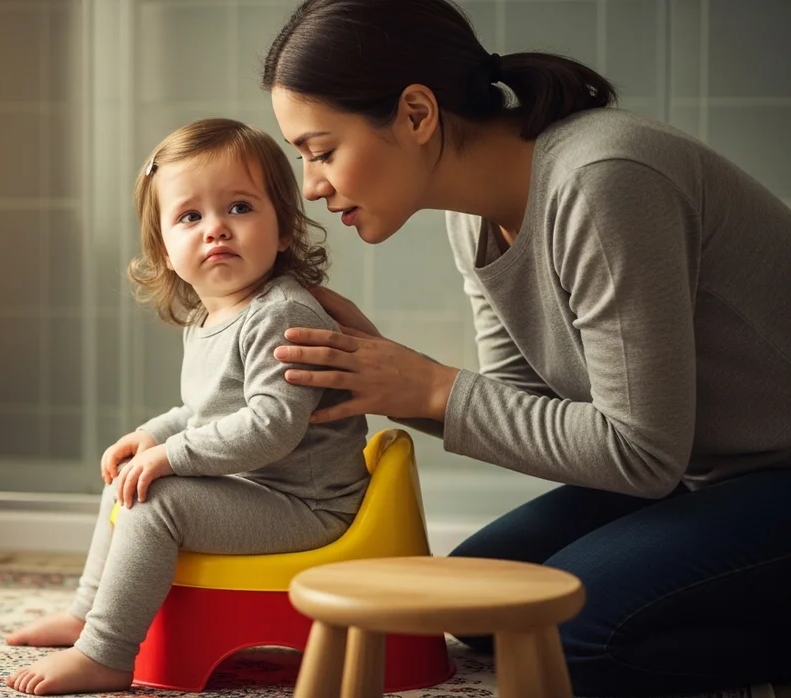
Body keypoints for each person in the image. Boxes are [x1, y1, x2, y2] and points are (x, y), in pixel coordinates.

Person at [259, 0, 791, 695]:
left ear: (418, 114)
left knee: (571, 639)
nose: (312, 186)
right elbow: (539, 414)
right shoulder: (471, 217)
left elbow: (640, 453)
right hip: (702, 475)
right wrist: (389, 380)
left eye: (322, 151)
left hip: (769, 474)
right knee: (475, 605)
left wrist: (429, 387)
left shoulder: (604, 181)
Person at [1, 117, 370, 695]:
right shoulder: (209, 318)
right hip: (260, 488)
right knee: (132, 473)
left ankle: (106, 653)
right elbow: (206, 412)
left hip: (310, 505)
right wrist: (152, 435)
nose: (216, 229)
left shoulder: (282, 312)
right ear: (166, 251)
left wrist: (172, 456)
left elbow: (271, 426)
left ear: (284, 231)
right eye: (190, 217)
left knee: (159, 497)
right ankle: (86, 614)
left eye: (240, 208)